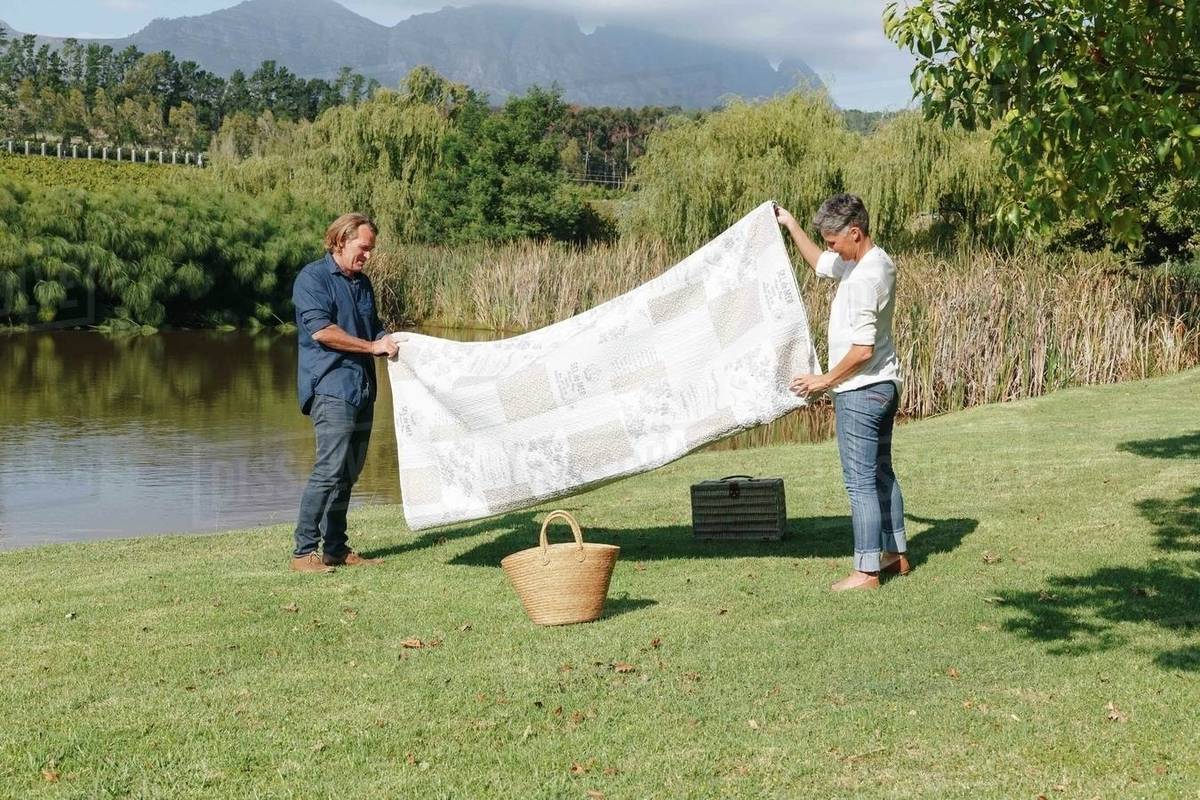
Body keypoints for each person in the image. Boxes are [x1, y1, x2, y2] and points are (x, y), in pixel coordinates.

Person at [775, 194, 908, 592]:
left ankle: (866, 572)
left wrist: (824, 380)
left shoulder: (864, 279)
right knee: (881, 472)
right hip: (884, 386)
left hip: (860, 391)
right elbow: (819, 263)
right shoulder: (871, 261)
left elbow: (862, 350)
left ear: (855, 232)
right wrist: (790, 224)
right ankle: (895, 554)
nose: (831, 248)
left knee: (860, 482)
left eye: (834, 241)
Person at [289, 212, 400, 573]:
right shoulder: (312, 278)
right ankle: (303, 553)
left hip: (363, 388)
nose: (368, 255)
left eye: (371, 249)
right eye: (363, 247)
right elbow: (322, 331)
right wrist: (371, 347)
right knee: (329, 469)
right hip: (332, 388)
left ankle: (335, 548)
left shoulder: (362, 283)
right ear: (340, 241)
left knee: (348, 472)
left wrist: (389, 339)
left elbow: (373, 327)